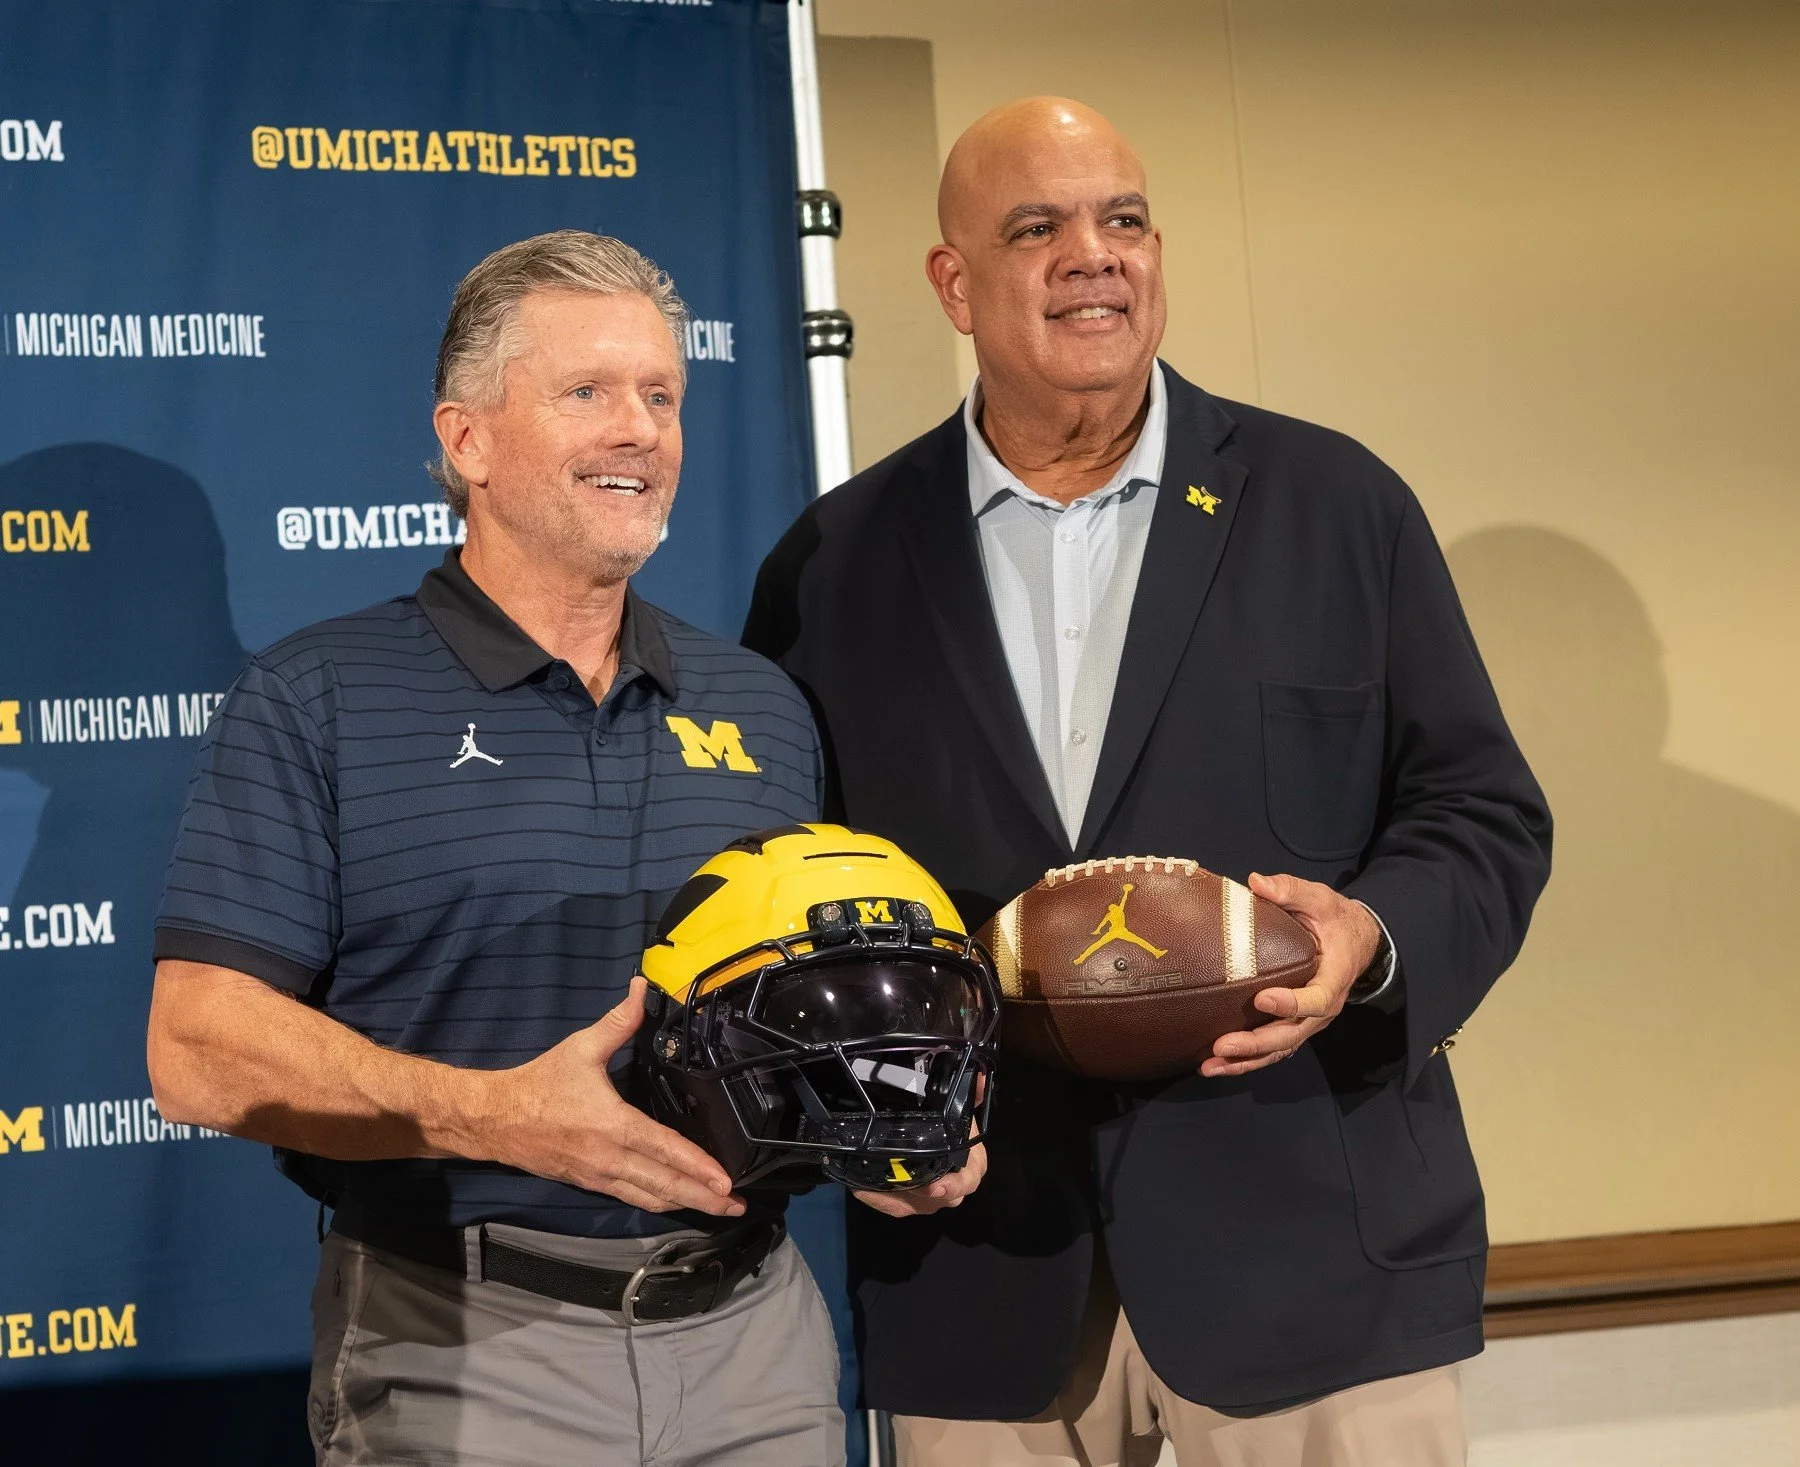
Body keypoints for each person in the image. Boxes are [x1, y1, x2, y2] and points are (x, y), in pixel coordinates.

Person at [743, 99, 1553, 1466]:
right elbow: (791, 890)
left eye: (1121, 220)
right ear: (953, 281)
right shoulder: (835, 561)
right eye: (1037, 227)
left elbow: (1482, 812)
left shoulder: (1336, 505)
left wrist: (1368, 939)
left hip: (1314, 1257)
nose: (1092, 256)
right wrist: (855, 1118)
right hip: (982, 1267)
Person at [146, 231, 847, 1467]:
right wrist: (491, 1116)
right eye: (588, 392)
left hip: (758, 1347)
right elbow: (199, 1049)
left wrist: (876, 1127)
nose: (641, 429)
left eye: (663, 396)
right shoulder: (318, 695)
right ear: (467, 440)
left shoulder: (762, 705)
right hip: (460, 1341)